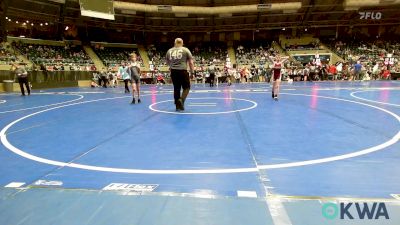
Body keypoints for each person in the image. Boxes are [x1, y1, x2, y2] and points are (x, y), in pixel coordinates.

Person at [166, 38, 194, 111]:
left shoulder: (169, 51)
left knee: (176, 88)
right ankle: (181, 100)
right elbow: (191, 62)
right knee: (186, 87)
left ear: (174, 43)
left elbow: (167, 62)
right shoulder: (185, 50)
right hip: (183, 71)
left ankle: (177, 106)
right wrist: (192, 72)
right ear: (182, 43)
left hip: (173, 71)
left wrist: (172, 66)